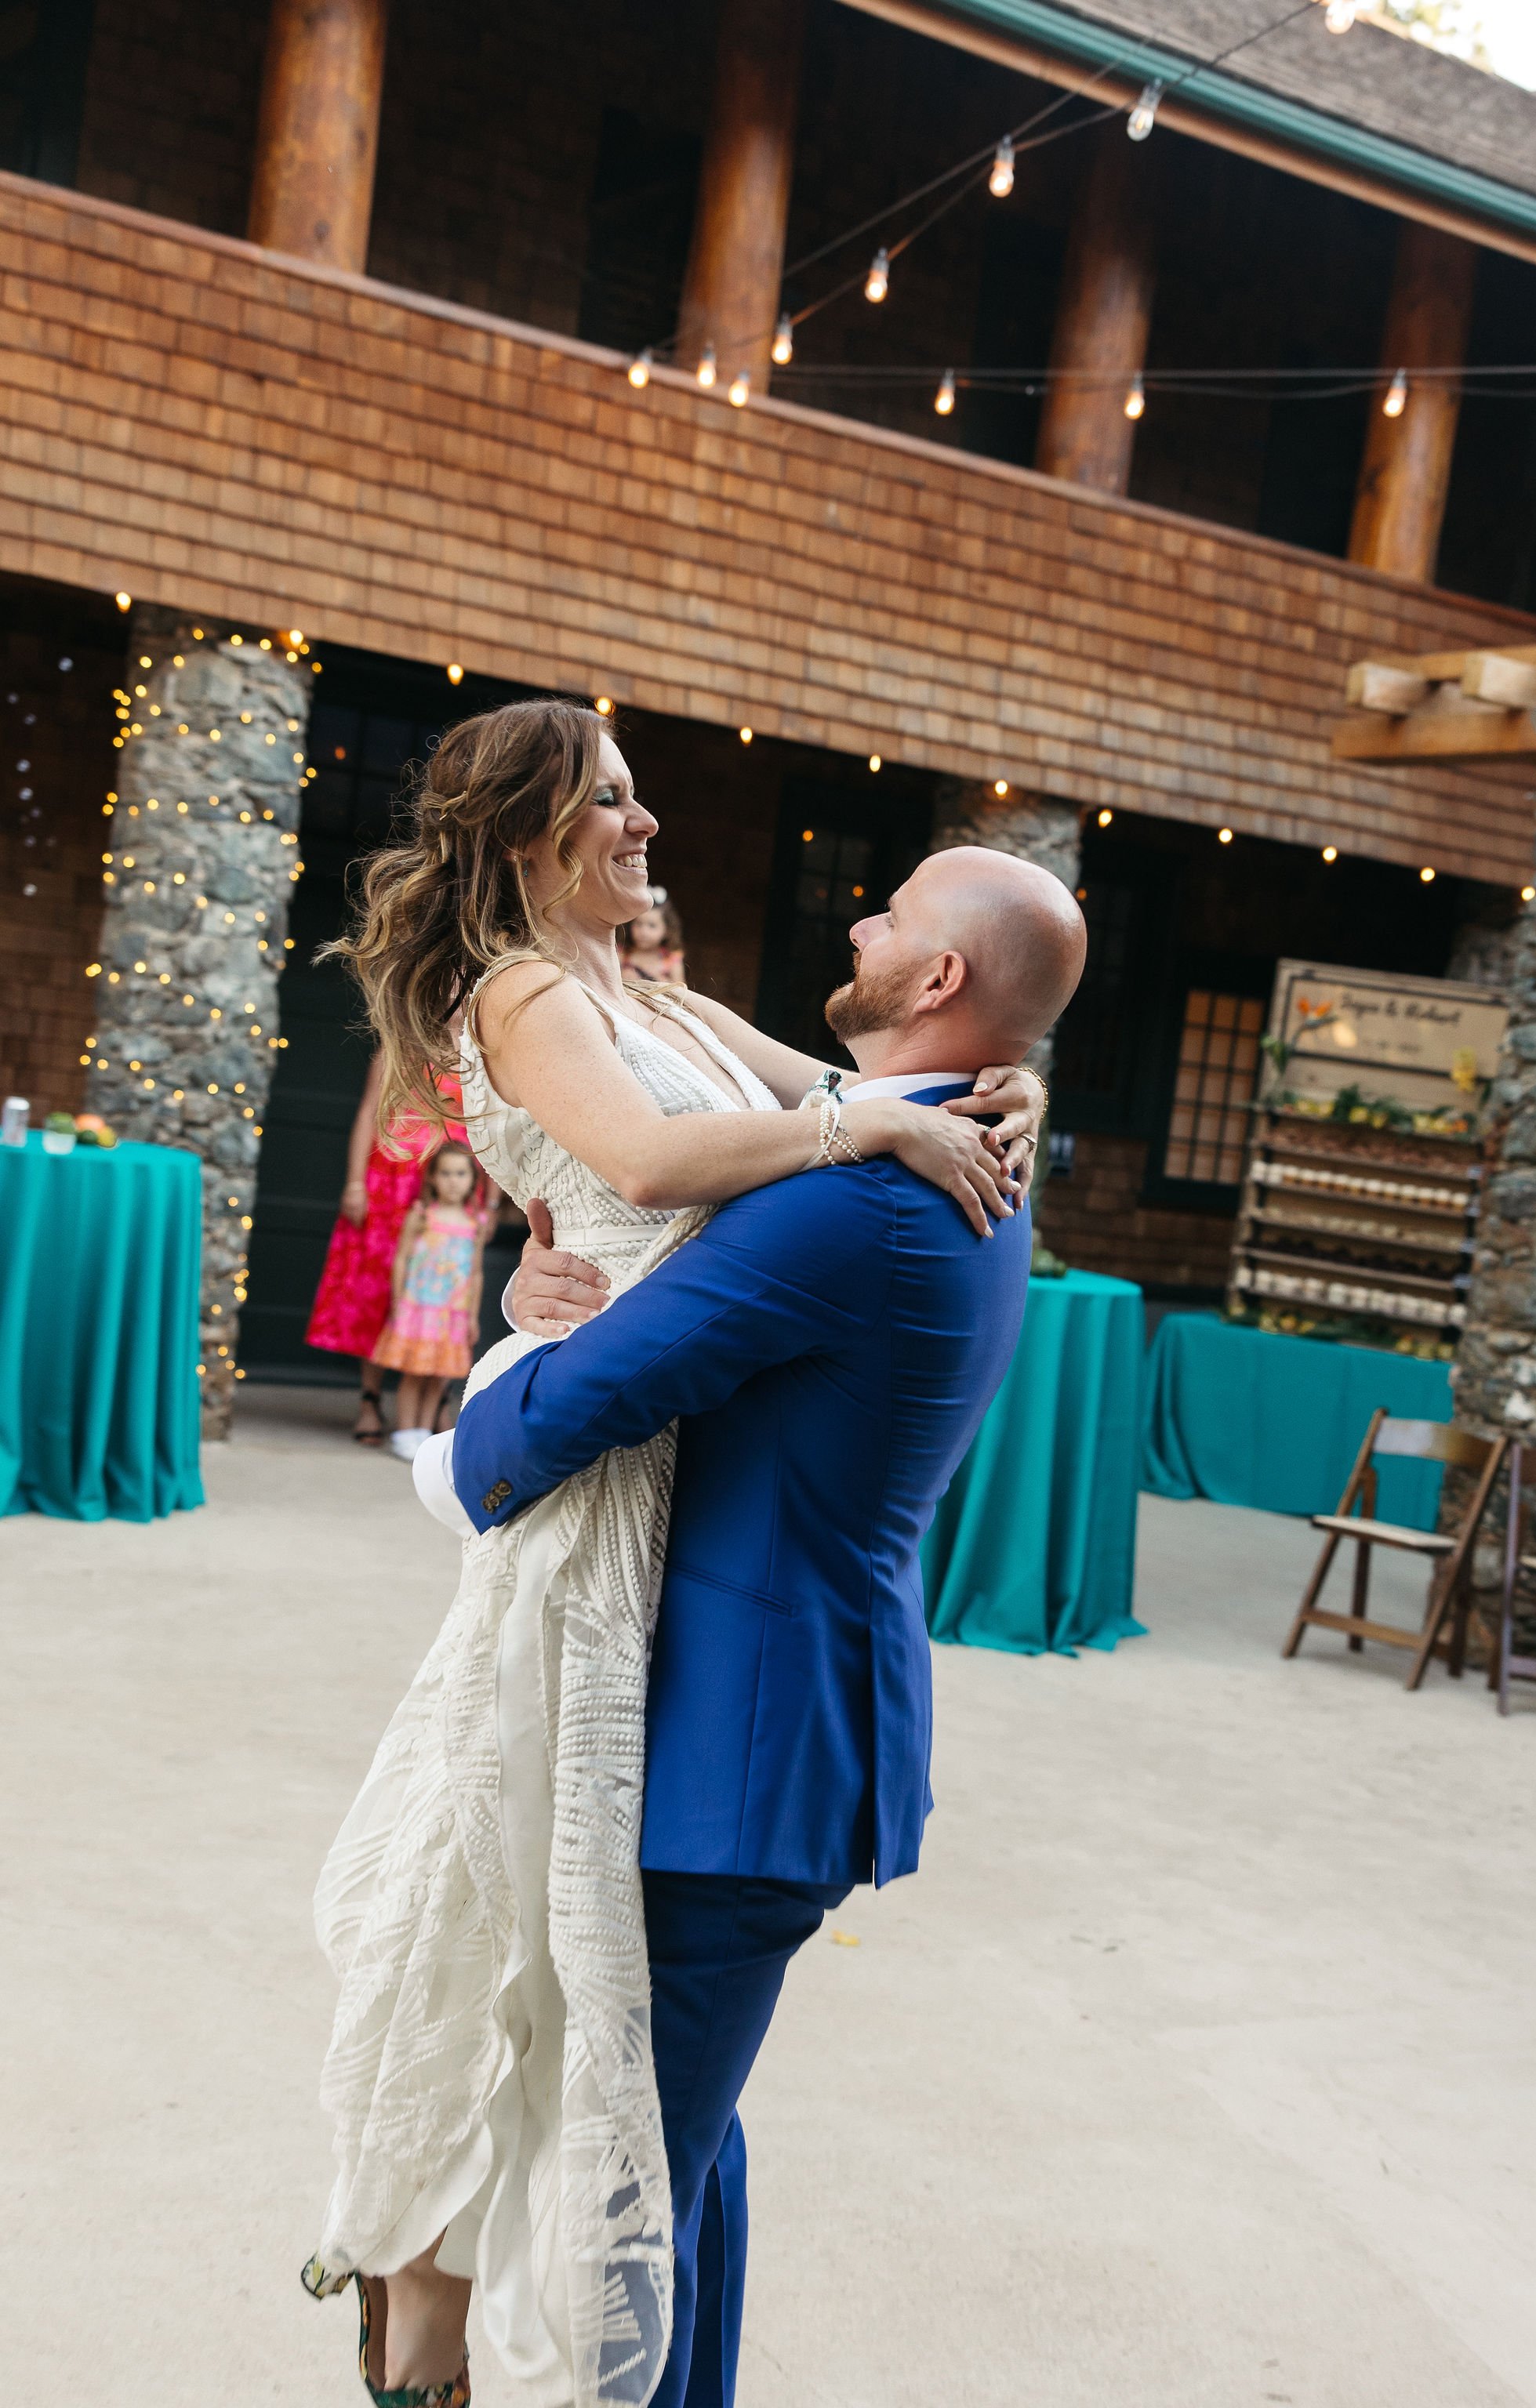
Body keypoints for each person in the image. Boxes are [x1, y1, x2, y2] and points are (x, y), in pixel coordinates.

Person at [300, 695, 1049, 2408]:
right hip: (599, 1484)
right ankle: (423, 2309)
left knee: (609, 2051)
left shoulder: (654, 992)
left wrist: (976, 1090)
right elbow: (651, 1158)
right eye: (611, 804)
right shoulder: (523, 990)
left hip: (666, 1482)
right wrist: (872, 1126)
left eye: (640, 799)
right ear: (527, 842)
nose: (646, 827)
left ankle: (451, 2314)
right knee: (511, 1954)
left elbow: (830, 1085)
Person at [303, 1051, 473, 1445]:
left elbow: (493, 1128)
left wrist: (491, 1200)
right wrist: (354, 1183)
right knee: (379, 1290)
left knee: (447, 1292)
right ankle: (370, 1400)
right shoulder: (396, 1051)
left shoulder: (478, 1053)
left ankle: (437, 1402)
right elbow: (368, 1113)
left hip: (454, 1186)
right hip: (389, 1183)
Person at [371, 1141, 493, 1463]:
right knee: (413, 1373)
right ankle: (404, 1431)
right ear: (433, 1179)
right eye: (446, 1173)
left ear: (473, 1180)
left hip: (451, 1313)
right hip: (419, 1308)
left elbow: (476, 1273)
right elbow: (401, 1259)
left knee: (438, 1377)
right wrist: (398, 1300)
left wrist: (471, 1316)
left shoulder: (475, 1224)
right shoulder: (423, 1215)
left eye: (461, 1174)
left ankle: (424, 1434)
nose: (454, 1181)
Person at [617, 887, 684, 984]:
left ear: (667, 930)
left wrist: (659, 981)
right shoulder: (622, 954)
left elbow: (682, 992)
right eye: (639, 924)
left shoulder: (671, 959)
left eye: (652, 926)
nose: (644, 932)